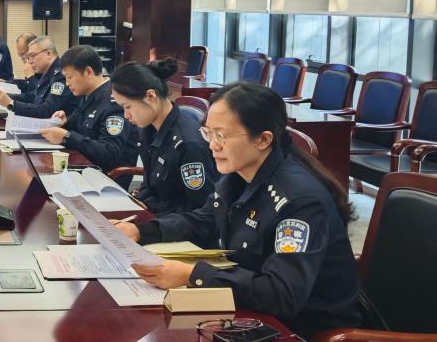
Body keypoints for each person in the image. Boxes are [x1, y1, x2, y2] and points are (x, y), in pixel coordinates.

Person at [116, 82, 362, 338]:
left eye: (221, 136)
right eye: (208, 133)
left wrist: (193, 275)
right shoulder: (238, 175)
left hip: (301, 330)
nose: (212, 145)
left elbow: (282, 294)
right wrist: (141, 231)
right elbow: (205, 221)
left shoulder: (299, 201)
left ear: (263, 139)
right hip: (248, 313)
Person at [111, 58, 217, 214]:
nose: (126, 115)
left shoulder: (188, 145)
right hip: (154, 214)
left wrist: (150, 213)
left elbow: (201, 212)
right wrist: (140, 200)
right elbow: (151, 186)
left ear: (151, 96)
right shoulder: (149, 128)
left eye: (128, 107)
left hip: (175, 225)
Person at [38, 45, 139, 188]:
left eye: (70, 77)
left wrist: (67, 136)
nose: (67, 83)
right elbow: (79, 124)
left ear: (88, 72)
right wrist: (64, 121)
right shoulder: (88, 95)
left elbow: (109, 153)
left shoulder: (114, 102)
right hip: (83, 167)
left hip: (105, 180)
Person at [0, 36, 78, 118]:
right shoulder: (47, 72)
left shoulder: (61, 76)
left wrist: (11, 104)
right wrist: (4, 96)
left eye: (33, 55)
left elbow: (46, 111)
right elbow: (34, 96)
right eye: (29, 57)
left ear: (48, 54)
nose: (30, 61)